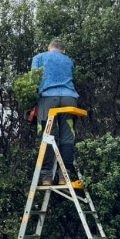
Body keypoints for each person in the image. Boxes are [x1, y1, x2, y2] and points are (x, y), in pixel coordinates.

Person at [31, 39, 80, 186]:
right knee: (67, 137)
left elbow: (33, 79)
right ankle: (64, 176)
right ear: (63, 51)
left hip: (48, 98)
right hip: (69, 99)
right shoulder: (69, 61)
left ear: (49, 49)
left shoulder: (39, 58)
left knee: (47, 136)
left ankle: (46, 177)